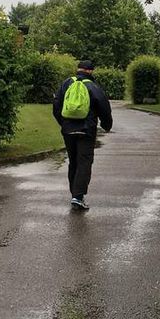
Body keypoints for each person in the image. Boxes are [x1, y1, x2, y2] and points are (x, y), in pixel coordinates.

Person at [53, 59, 113, 211]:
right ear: (91, 71)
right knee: (84, 161)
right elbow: (104, 108)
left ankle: (74, 194)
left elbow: (56, 106)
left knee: (73, 161)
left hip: (68, 130)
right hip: (86, 130)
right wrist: (106, 125)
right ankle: (78, 197)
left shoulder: (66, 84)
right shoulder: (93, 86)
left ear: (78, 69)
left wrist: (64, 123)